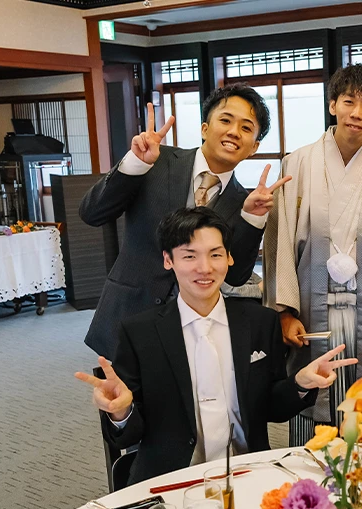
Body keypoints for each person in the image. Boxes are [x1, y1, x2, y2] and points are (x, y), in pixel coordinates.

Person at [75, 208, 355, 485]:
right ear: (168, 260)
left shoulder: (260, 321)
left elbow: (271, 408)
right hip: (173, 479)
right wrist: (122, 412)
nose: (205, 268)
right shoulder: (140, 332)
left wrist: (300, 383)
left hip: (250, 473)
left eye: (215, 254)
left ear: (229, 257)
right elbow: (128, 436)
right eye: (189, 256)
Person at [263, 64, 362, 445]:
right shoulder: (298, 162)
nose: (357, 113)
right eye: (349, 101)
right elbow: (279, 239)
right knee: (313, 395)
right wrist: (284, 312)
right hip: (310, 308)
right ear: (332, 104)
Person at [80, 83, 288, 359]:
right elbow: (92, 213)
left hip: (194, 331)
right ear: (204, 128)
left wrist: (252, 219)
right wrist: (135, 164)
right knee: (119, 388)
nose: (234, 132)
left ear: (254, 147)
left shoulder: (245, 201)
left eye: (246, 128)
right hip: (128, 312)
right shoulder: (156, 160)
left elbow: (236, 276)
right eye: (225, 120)